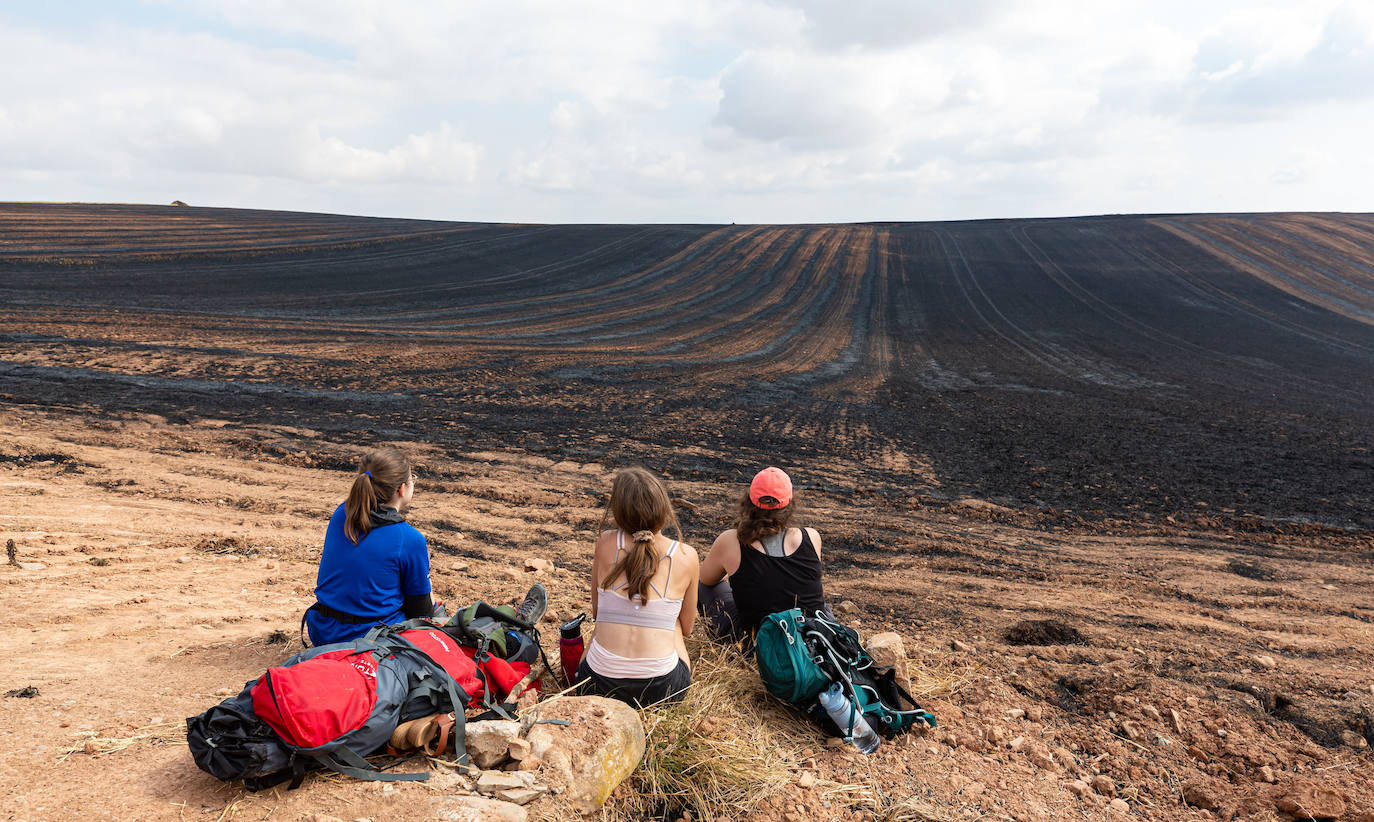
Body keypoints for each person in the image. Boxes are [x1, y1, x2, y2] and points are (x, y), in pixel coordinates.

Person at [576, 467, 700, 707]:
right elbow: (687, 628)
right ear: (664, 507)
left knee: (606, 618)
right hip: (663, 690)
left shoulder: (605, 543)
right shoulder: (686, 555)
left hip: (597, 685)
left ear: (619, 513)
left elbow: (596, 612)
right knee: (672, 618)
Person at [303, 448, 439, 647]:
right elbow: (421, 612)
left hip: (323, 631)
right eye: (412, 479)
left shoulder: (342, 513)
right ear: (402, 489)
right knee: (434, 610)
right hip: (369, 641)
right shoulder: (409, 539)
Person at [698, 466, 829, 643]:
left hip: (757, 647)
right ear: (790, 503)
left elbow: (706, 580)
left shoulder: (730, 541)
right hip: (811, 646)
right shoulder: (812, 537)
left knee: (703, 586)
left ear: (749, 502)